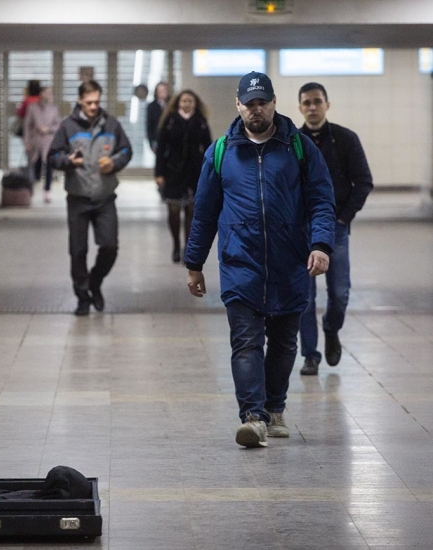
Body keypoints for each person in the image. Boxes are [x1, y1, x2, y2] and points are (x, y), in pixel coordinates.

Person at [184, 72, 336, 448]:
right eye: (249, 103)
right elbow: (204, 212)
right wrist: (194, 264)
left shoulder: (299, 147)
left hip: (290, 263)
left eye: (262, 102)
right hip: (240, 263)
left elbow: (321, 199)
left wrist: (320, 245)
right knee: (245, 342)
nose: (256, 109)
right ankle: (253, 417)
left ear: (273, 103)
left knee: (284, 344)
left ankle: (274, 407)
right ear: (238, 105)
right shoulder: (221, 152)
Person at [297, 83, 374, 376]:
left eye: (317, 101)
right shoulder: (293, 142)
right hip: (302, 230)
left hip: (336, 227)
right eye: (307, 102)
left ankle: (331, 328)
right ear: (300, 108)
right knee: (304, 297)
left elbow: (363, 181)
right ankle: (310, 355)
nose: (312, 107)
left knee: (340, 292)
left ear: (327, 105)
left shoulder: (345, 139)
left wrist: (343, 218)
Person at [48, 80, 133, 316]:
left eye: (96, 101)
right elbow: (52, 156)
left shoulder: (112, 124)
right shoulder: (68, 126)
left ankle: (95, 281)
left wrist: (113, 163)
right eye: (89, 102)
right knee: (78, 251)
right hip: (78, 198)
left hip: (105, 197)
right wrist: (68, 162)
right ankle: (83, 297)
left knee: (110, 246)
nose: (93, 106)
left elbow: (126, 150)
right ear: (80, 101)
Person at [154, 90, 212, 263]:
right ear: (178, 103)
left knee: (191, 211)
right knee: (173, 210)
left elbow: (208, 147)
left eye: (190, 101)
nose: (187, 104)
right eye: (184, 101)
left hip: (194, 172)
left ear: (195, 103)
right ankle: (175, 243)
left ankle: (187, 247)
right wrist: (159, 173)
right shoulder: (170, 121)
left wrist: (209, 171)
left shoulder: (200, 121)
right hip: (173, 172)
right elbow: (161, 148)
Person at [23, 87, 61, 203]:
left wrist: (48, 129)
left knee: (49, 165)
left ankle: (47, 190)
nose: (48, 95)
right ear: (40, 93)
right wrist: (27, 142)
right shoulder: (32, 108)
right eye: (46, 92)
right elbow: (27, 125)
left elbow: (58, 124)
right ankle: (32, 188)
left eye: (50, 93)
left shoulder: (54, 109)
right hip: (35, 141)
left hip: (49, 141)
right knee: (35, 165)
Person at [146, 82, 170, 153]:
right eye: (160, 91)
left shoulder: (172, 105)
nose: (163, 93)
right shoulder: (152, 106)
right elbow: (149, 126)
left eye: (164, 90)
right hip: (158, 139)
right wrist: (151, 143)